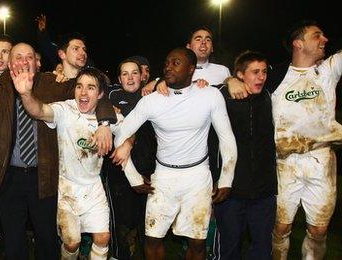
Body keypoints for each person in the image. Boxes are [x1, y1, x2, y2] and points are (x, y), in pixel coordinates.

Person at [0, 42, 116, 259]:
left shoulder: (52, 84)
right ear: (9, 63)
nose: (23, 62)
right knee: (13, 240)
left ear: (37, 62)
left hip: (44, 175)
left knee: (46, 237)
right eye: (17, 57)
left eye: (28, 57)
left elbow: (96, 88)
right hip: (7, 176)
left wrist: (105, 122)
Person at [228, 20, 342, 259]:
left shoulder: (329, 69)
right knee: (280, 228)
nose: (325, 40)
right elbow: (246, 78)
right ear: (298, 43)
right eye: (317, 35)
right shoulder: (275, 75)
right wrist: (232, 80)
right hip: (284, 162)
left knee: (318, 230)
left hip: (321, 158)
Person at [114, 47, 237, 260]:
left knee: (198, 243)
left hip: (198, 177)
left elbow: (227, 139)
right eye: (167, 63)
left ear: (191, 69)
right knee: (152, 239)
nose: (168, 67)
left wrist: (227, 178)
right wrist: (132, 177)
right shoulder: (152, 101)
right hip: (163, 177)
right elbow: (121, 135)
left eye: (175, 63)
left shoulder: (210, 95)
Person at [13, 66, 131, 259]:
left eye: (90, 87)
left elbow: (129, 130)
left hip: (93, 187)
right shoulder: (65, 109)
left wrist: (126, 145)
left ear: (101, 93)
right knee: (72, 243)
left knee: (103, 238)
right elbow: (39, 110)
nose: (83, 92)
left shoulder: (109, 118)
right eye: (79, 86)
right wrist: (26, 94)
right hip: (66, 186)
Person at [210, 51, 276, 259]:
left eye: (264, 72)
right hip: (231, 190)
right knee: (230, 245)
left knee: (263, 247)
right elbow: (189, 88)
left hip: (264, 190)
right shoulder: (221, 97)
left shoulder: (268, 95)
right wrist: (228, 81)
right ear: (240, 75)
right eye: (255, 72)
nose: (261, 77)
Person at [104, 57, 156, 259]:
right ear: (119, 78)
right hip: (118, 170)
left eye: (134, 72)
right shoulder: (110, 97)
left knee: (147, 225)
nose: (130, 77)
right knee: (119, 224)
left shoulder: (152, 97)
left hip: (148, 171)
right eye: (125, 73)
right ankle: (119, 255)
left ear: (142, 75)